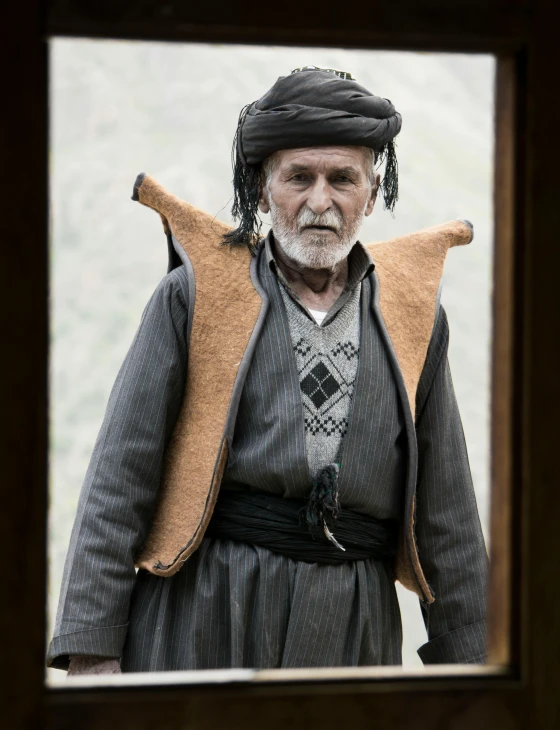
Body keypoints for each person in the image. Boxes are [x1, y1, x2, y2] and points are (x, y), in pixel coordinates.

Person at [48, 66, 488, 675]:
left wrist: (471, 667)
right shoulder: (193, 296)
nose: (320, 201)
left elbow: (448, 515)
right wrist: (93, 651)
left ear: (372, 188)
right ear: (262, 188)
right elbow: (120, 477)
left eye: (343, 179)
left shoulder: (415, 317)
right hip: (201, 613)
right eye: (298, 178)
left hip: (350, 627)